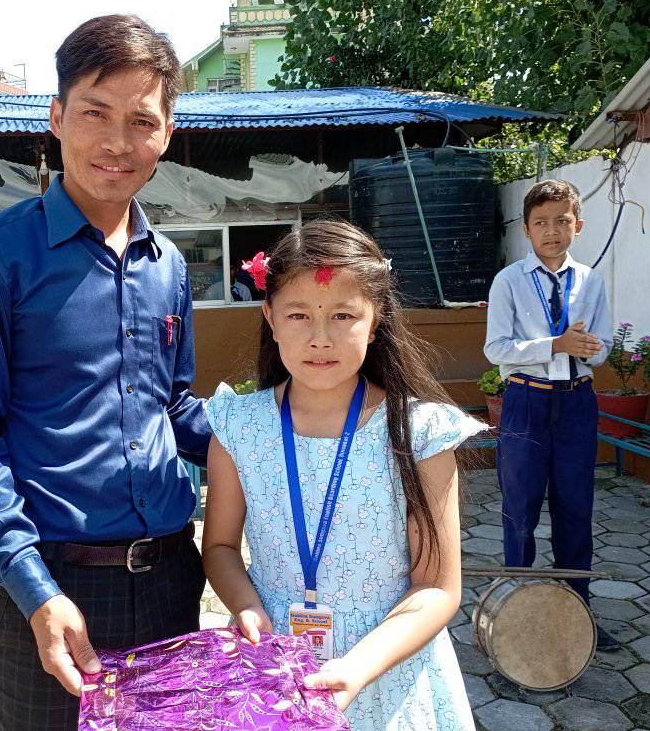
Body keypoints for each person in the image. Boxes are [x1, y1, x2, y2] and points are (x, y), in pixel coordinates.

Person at [0, 14, 211, 731]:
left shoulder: (169, 267)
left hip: (171, 584)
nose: (117, 143)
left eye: (141, 120)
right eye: (94, 113)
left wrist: (298, 432)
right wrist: (34, 589)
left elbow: (174, 407)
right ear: (56, 117)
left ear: (167, 133)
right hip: (51, 592)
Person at [202, 220, 482, 730]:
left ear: (375, 322)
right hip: (278, 670)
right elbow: (219, 546)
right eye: (299, 315)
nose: (320, 338)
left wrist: (357, 668)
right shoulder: (238, 427)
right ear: (269, 316)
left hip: (390, 672)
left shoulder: (420, 432)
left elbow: (437, 588)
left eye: (343, 315)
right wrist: (247, 609)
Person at [483, 179, 616, 649]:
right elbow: (496, 348)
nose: (552, 231)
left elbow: (603, 348)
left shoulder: (592, 282)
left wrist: (591, 348)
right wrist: (554, 344)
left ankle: (576, 610)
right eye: (541, 222)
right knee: (519, 507)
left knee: (575, 506)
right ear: (526, 229)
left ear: (577, 225)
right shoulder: (509, 281)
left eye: (562, 221)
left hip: (577, 401)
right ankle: (513, 610)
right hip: (526, 401)